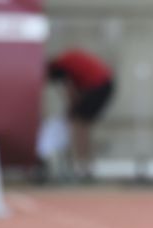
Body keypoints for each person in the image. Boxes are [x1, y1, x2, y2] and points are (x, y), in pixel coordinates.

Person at [47, 49, 114, 180]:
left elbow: (70, 92)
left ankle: (82, 164)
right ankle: (86, 163)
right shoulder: (66, 60)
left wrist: (71, 110)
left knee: (79, 125)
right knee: (82, 124)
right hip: (103, 84)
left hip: (99, 86)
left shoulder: (62, 67)